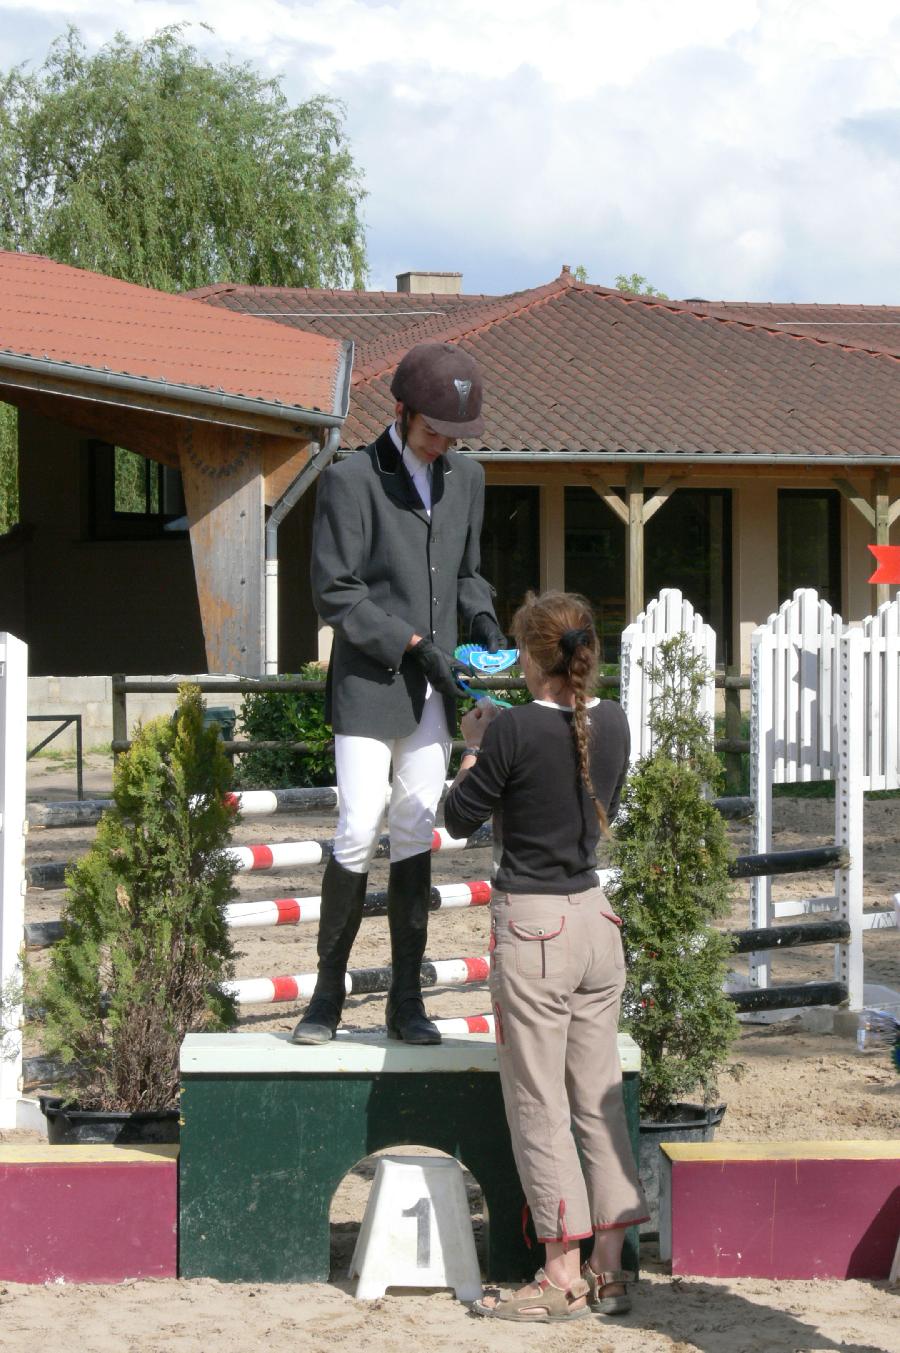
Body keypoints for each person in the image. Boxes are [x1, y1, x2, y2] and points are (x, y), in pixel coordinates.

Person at [292, 342, 505, 1047]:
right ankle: (325, 995)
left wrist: (482, 617)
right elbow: (336, 592)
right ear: (403, 411)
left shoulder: (466, 478)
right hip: (369, 683)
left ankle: (405, 1000)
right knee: (359, 824)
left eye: (453, 434)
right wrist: (415, 646)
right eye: (434, 429)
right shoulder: (351, 481)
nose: (443, 443)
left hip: (435, 691)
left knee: (417, 827)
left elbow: (468, 572)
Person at [443, 590, 648, 1321]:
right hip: (596, 918)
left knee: (540, 1102)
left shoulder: (510, 731)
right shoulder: (615, 720)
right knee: (599, 1099)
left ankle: (560, 1268)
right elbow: (602, 807)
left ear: (530, 657)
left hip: (533, 927)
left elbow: (457, 817)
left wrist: (472, 743)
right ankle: (612, 1268)